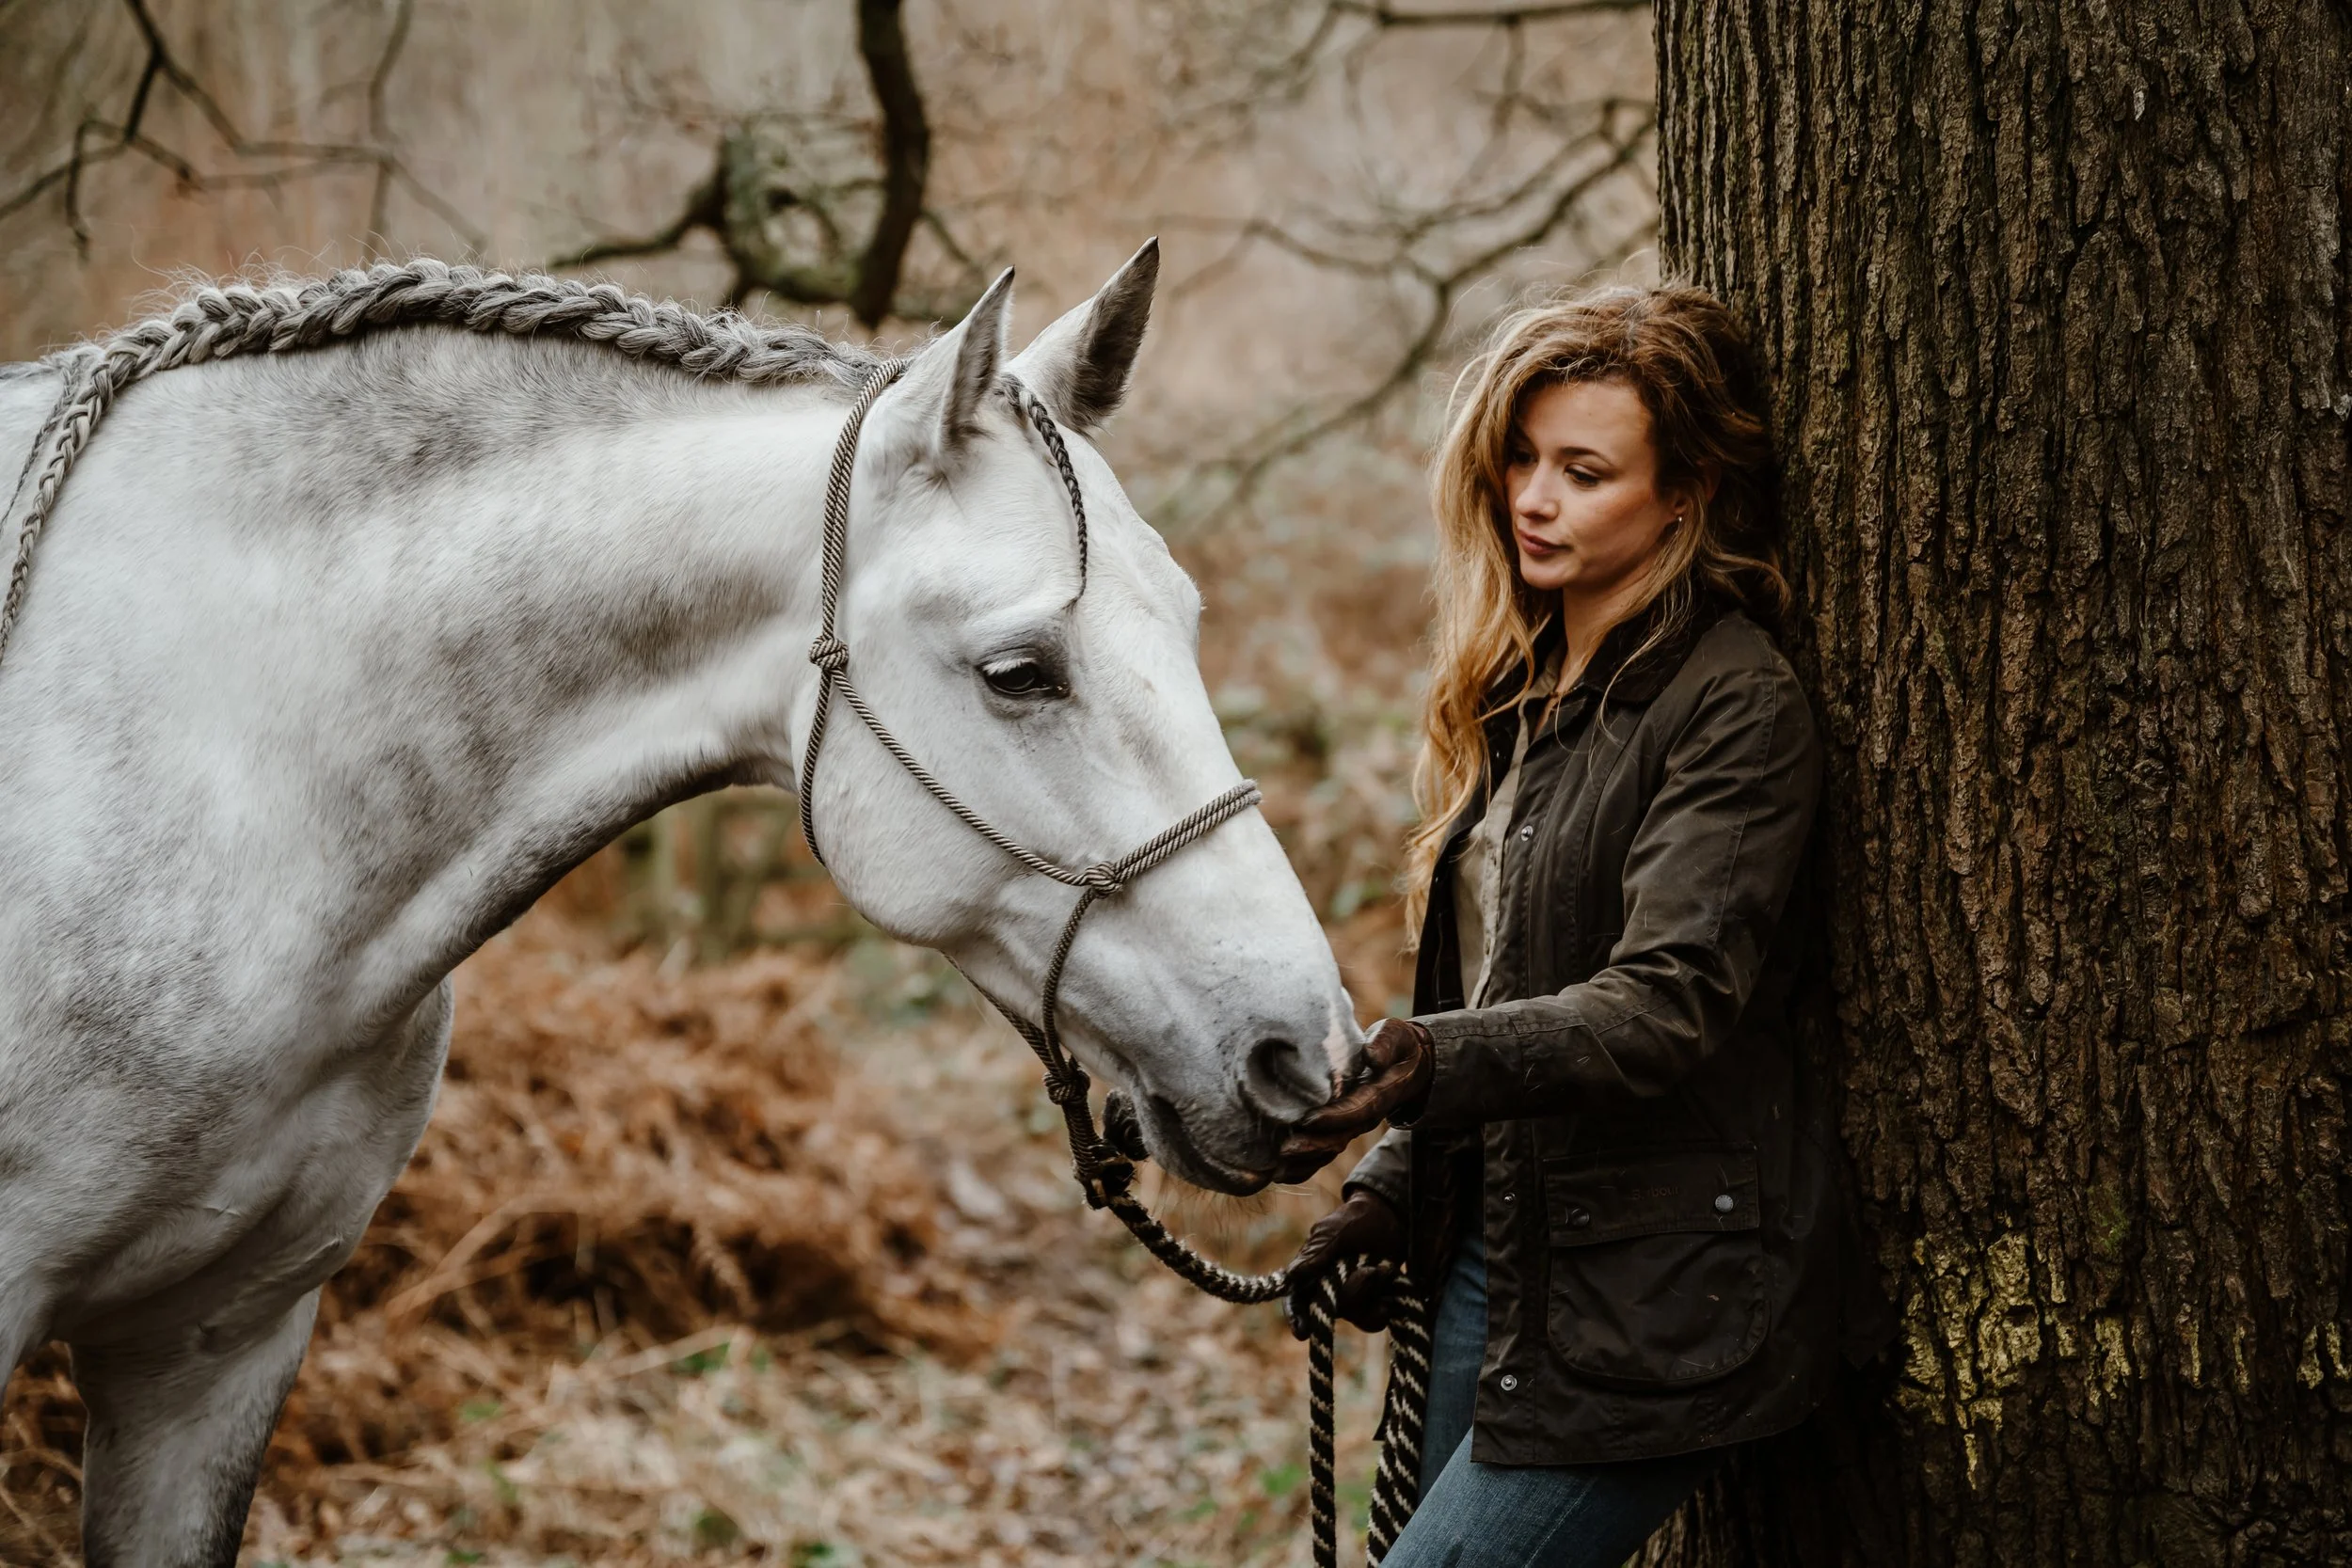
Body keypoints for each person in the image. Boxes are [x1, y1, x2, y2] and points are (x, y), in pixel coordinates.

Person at [1272, 284, 1891, 1567]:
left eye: (1585, 470)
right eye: (1523, 458)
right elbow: (1516, 978)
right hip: (1496, 1260)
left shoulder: (1734, 705)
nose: (1533, 497)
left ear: (1686, 494)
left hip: (1657, 1294)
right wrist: (1396, 1178)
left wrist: (1429, 1063)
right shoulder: (1519, 688)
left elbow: (1664, 1003)